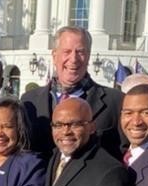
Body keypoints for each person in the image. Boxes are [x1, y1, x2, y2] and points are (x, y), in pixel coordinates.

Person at [22, 26, 125, 161]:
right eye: (67, 51)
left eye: (80, 52)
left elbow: (124, 152)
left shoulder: (115, 101)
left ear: (88, 56)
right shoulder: (29, 101)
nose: (74, 59)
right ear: (54, 56)